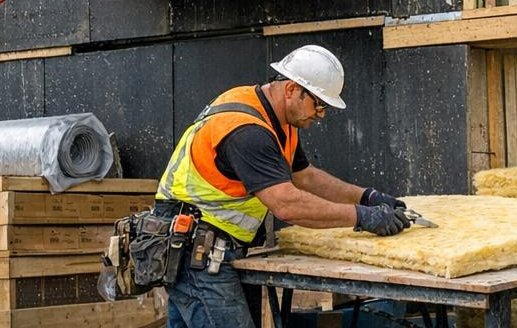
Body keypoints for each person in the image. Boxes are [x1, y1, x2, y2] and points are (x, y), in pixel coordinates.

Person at [156, 44, 412, 328]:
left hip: (203, 245)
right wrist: (362, 217)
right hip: (196, 248)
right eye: (318, 104)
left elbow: (305, 177)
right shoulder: (247, 131)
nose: (321, 114)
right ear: (291, 89)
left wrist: (368, 197)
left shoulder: (277, 120)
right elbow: (287, 204)